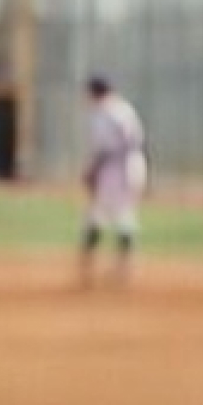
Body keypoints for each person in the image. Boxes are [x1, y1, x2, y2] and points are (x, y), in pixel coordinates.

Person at [79, 73, 147, 285]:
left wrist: (93, 170)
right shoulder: (123, 109)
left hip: (117, 168)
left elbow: (110, 146)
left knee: (108, 214)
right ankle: (120, 267)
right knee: (117, 213)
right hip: (129, 165)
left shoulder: (107, 112)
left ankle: (96, 267)